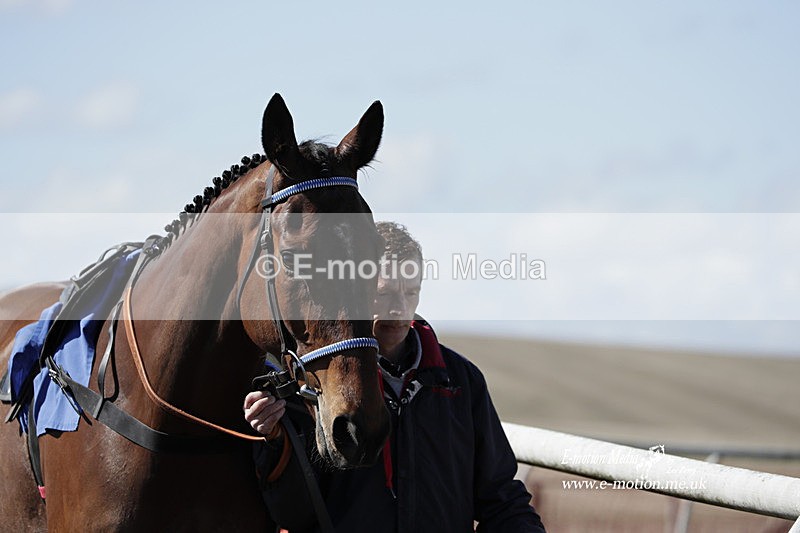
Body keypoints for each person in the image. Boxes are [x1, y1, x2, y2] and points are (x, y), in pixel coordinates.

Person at [243, 221, 546, 533]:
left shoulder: (461, 382)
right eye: (383, 293)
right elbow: (293, 514)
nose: (399, 310)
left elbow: (501, 499)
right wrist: (274, 442)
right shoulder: (317, 380)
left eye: (411, 292)